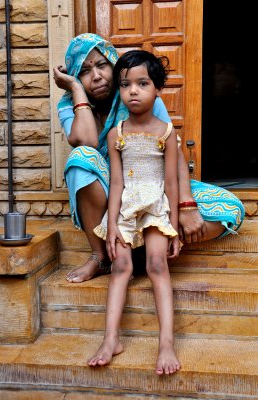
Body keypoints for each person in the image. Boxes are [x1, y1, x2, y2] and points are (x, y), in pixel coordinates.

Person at [53, 33, 245, 283]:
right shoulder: (69, 104)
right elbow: (87, 141)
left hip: (154, 189)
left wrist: (186, 205)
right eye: (84, 71)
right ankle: (100, 256)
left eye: (101, 65)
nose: (97, 76)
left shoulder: (140, 95)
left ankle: (143, 251)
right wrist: (77, 91)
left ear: (114, 66)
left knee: (230, 209)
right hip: (113, 195)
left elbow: (172, 151)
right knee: (81, 159)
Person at [87, 50, 180, 374]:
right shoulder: (116, 134)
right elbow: (115, 183)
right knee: (120, 266)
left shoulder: (167, 133)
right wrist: (111, 225)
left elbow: (171, 182)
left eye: (143, 83)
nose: (133, 91)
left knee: (156, 263)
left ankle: (166, 342)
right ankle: (111, 338)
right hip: (126, 207)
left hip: (156, 206)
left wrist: (175, 228)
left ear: (157, 89)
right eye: (126, 84)